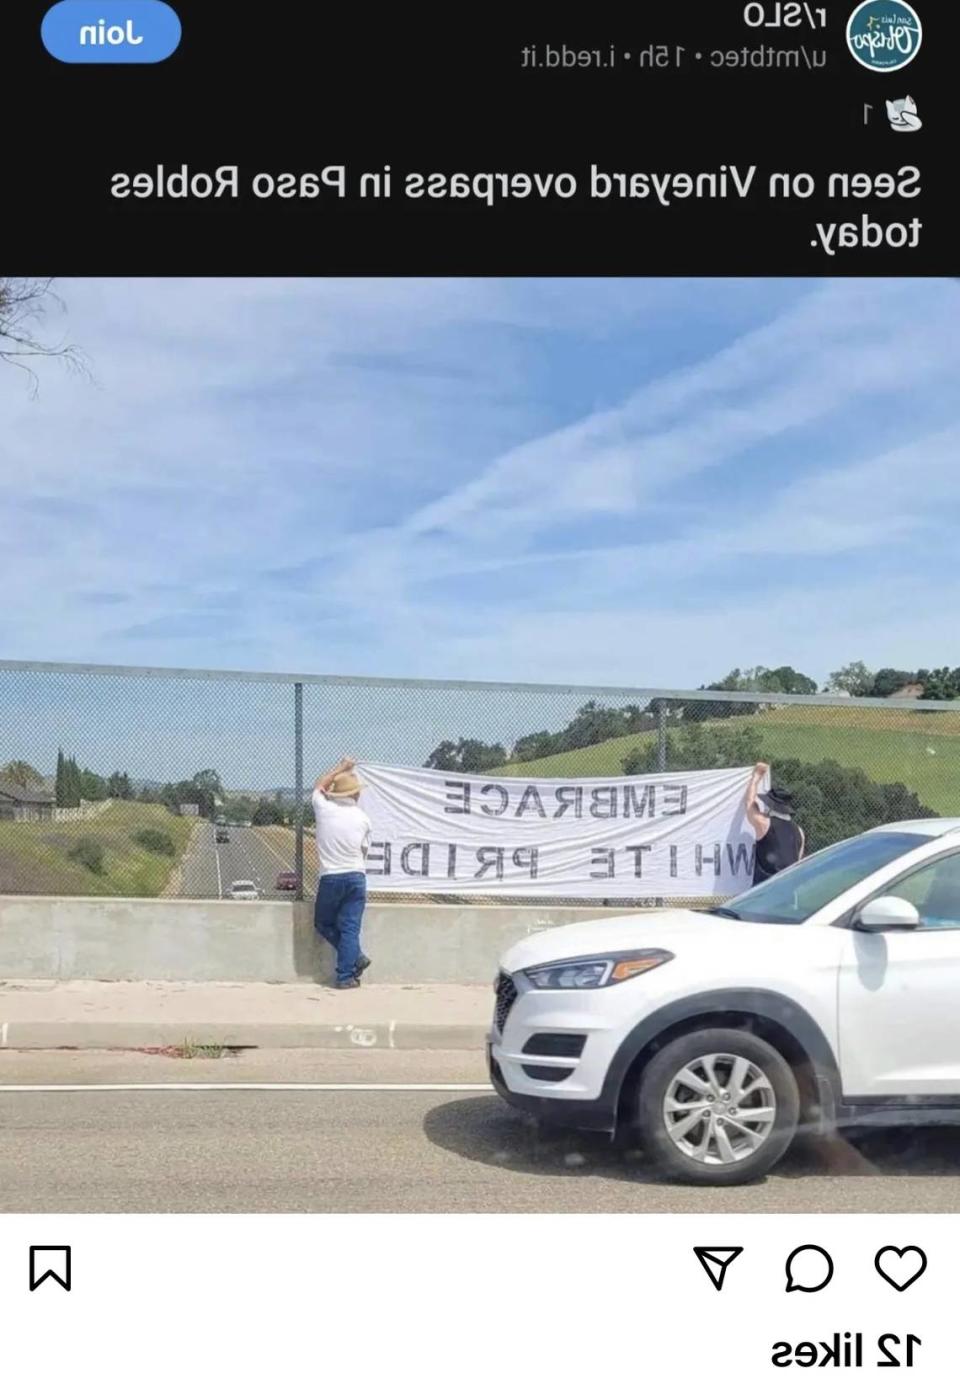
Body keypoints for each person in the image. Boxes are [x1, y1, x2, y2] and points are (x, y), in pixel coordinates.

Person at [312, 756, 372, 989]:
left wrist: (341, 767)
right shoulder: (363, 819)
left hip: (331, 876)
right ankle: (346, 974)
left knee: (324, 923)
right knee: (350, 927)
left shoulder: (324, 808)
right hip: (357, 875)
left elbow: (319, 786)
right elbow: (364, 850)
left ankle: (355, 959)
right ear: (355, 794)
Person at [744, 761, 805, 886]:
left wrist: (756, 776)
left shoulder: (765, 824)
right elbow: (797, 861)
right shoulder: (799, 831)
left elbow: (749, 804)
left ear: (771, 807)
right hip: (789, 888)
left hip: (765, 889)